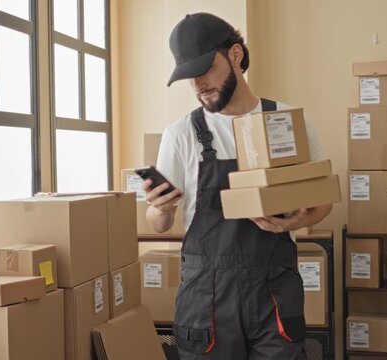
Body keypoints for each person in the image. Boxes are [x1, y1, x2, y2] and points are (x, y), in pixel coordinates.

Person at [142, 12, 332, 360]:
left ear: (235, 55)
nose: (198, 84)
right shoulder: (181, 134)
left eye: (204, 70)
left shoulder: (285, 121)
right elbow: (159, 223)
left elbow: (322, 202)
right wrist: (160, 208)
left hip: (273, 292)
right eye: (189, 77)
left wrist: (296, 222)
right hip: (207, 298)